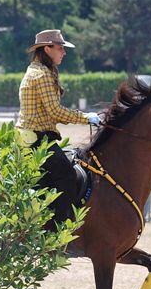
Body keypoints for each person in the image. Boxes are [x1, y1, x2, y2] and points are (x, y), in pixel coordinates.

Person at [17, 29, 100, 223]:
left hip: (32, 137)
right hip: (37, 140)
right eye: (60, 48)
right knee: (67, 176)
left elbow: (51, 112)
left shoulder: (39, 70)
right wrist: (86, 118)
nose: (64, 52)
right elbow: (55, 111)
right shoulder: (42, 74)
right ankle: (57, 231)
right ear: (47, 48)